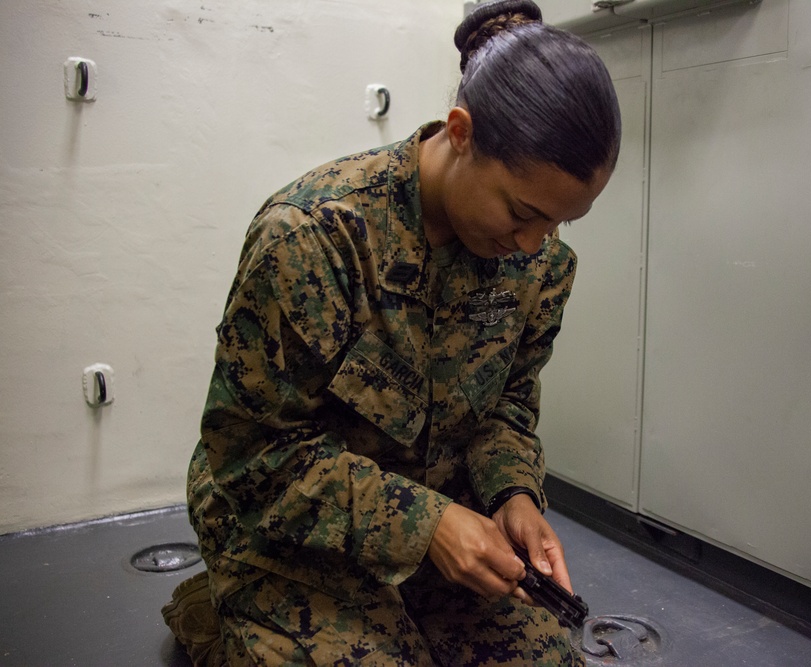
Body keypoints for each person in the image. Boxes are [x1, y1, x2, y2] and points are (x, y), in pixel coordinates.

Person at [162, 0, 621, 664]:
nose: (532, 243)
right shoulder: (313, 237)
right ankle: (225, 605)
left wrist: (512, 493)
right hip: (285, 528)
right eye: (523, 212)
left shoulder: (538, 265)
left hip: (440, 511)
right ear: (461, 132)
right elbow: (255, 460)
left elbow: (508, 409)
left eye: (558, 224)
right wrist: (426, 524)